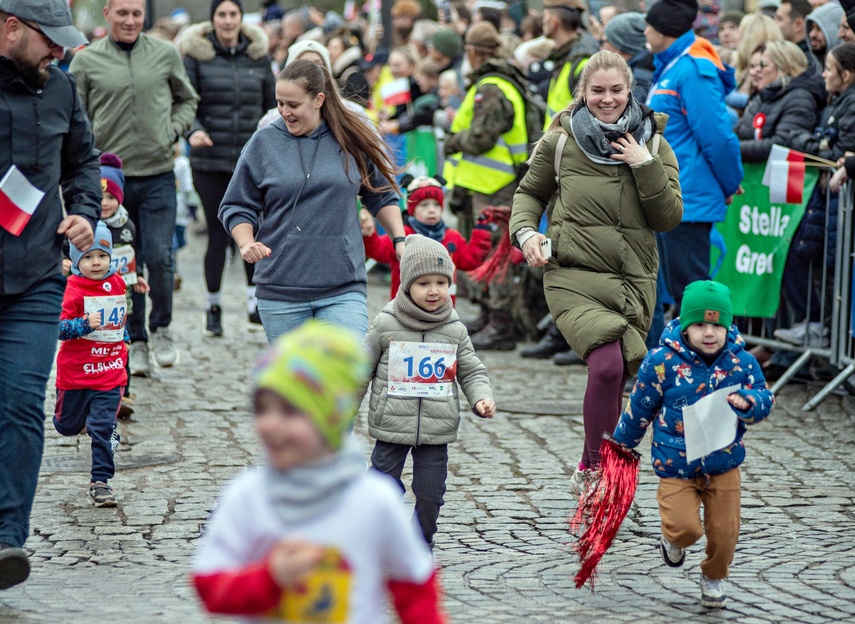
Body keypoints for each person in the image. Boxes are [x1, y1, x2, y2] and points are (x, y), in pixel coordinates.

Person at [192, 320, 447, 622]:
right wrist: (271, 578)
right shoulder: (247, 497)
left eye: (290, 411)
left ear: (331, 418)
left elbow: (414, 586)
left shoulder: (375, 500)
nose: (270, 424)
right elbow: (209, 587)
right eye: (262, 409)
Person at [510, 50, 683, 491]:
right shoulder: (562, 141)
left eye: (616, 91)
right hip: (573, 272)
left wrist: (643, 165)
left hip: (631, 279)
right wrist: (527, 233)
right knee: (606, 366)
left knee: (621, 373)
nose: (607, 100)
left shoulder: (656, 144)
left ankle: (600, 460)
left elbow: (668, 218)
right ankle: (594, 469)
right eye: (598, 91)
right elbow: (529, 194)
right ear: (583, 93)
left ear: (630, 91)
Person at [0, 0, 100, 589]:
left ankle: (8, 539)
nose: (58, 53)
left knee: (19, 404)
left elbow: (81, 162)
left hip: (36, 277)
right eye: (49, 40)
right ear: (10, 26)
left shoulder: (60, 88)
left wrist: (85, 211)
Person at [612, 280, 775, 608]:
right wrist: (622, 445)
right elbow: (640, 405)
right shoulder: (662, 362)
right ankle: (672, 541)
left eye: (717, 325)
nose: (710, 332)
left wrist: (750, 402)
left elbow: (764, 395)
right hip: (676, 465)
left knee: (725, 533)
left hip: (723, 462)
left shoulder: (741, 363)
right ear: (685, 326)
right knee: (684, 528)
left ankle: (714, 575)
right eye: (700, 324)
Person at [219, 59, 406, 342]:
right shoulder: (263, 143)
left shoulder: (350, 139)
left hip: (343, 287)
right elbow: (236, 205)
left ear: (319, 99)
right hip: (281, 288)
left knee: (344, 377)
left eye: (293, 105)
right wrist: (246, 242)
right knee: (297, 386)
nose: (284, 112)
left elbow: (380, 193)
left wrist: (399, 240)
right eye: (280, 103)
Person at [69, 0, 199, 377]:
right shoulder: (87, 61)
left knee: (159, 255)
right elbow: (76, 117)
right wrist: (87, 154)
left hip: (157, 172)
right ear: (107, 13)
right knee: (122, 262)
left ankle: (161, 327)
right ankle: (135, 339)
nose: (129, 20)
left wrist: (172, 130)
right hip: (110, 182)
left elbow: (188, 98)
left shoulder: (164, 53)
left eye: (136, 14)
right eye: (122, 13)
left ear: (144, 16)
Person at [358, 235, 496, 547]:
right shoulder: (385, 323)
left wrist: (481, 397)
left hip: (437, 428)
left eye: (441, 282)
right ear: (406, 284)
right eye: (423, 283)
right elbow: (360, 370)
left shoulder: (455, 329)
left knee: (432, 491)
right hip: (391, 426)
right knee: (382, 487)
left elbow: (471, 369)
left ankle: (422, 541)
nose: (433, 291)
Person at [178, 0, 276, 337]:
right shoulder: (197, 57)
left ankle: (253, 303)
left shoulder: (258, 57)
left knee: (253, 231)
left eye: (233, 14)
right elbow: (187, 102)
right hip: (209, 160)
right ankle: (213, 305)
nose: (228, 20)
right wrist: (195, 130)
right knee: (218, 235)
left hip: (251, 161)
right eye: (222, 14)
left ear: (241, 20)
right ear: (213, 20)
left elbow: (271, 106)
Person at [644, 0, 742, 308]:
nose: (645, 31)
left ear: (665, 30)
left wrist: (730, 183)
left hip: (689, 199)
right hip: (670, 195)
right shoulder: (673, 65)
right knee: (679, 292)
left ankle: (703, 357)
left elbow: (717, 136)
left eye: (650, 25)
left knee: (693, 296)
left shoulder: (692, 69)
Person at [54, 222, 128, 509]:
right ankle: (87, 423)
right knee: (66, 426)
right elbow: (58, 328)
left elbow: (121, 319)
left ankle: (101, 482)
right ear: (75, 259)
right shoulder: (71, 288)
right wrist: (83, 325)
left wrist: (127, 338)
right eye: (87, 256)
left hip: (109, 371)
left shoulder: (117, 283)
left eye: (102, 255)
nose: (96, 262)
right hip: (75, 374)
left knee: (102, 425)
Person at [362, 177, 492, 302]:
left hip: (443, 312)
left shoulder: (452, 237)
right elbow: (378, 250)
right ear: (412, 209)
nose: (431, 210)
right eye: (424, 205)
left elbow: (471, 260)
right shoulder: (402, 235)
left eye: (436, 205)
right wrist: (368, 234)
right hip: (405, 309)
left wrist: (482, 231)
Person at [97, 153, 149, 419]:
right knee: (95, 346)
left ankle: (123, 391)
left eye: (111, 197)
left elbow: (133, 254)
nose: (105, 203)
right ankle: (94, 391)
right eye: (101, 197)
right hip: (93, 301)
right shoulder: (89, 226)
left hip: (122, 301)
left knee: (122, 345)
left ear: (119, 198)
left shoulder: (127, 225)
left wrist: (138, 275)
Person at [735, 40, 824, 163]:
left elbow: (782, 144)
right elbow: (740, 131)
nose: (755, 71)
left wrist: (734, 148)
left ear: (784, 67)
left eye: (763, 65)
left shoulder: (800, 98)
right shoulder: (764, 95)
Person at [541, 0, 599, 127]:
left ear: (554, 21)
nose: (542, 22)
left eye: (545, 17)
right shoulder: (564, 57)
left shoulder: (582, 62)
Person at [602, 12, 656, 102]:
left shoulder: (638, 79)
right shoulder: (641, 66)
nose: (602, 47)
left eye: (605, 41)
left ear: (620, 45)